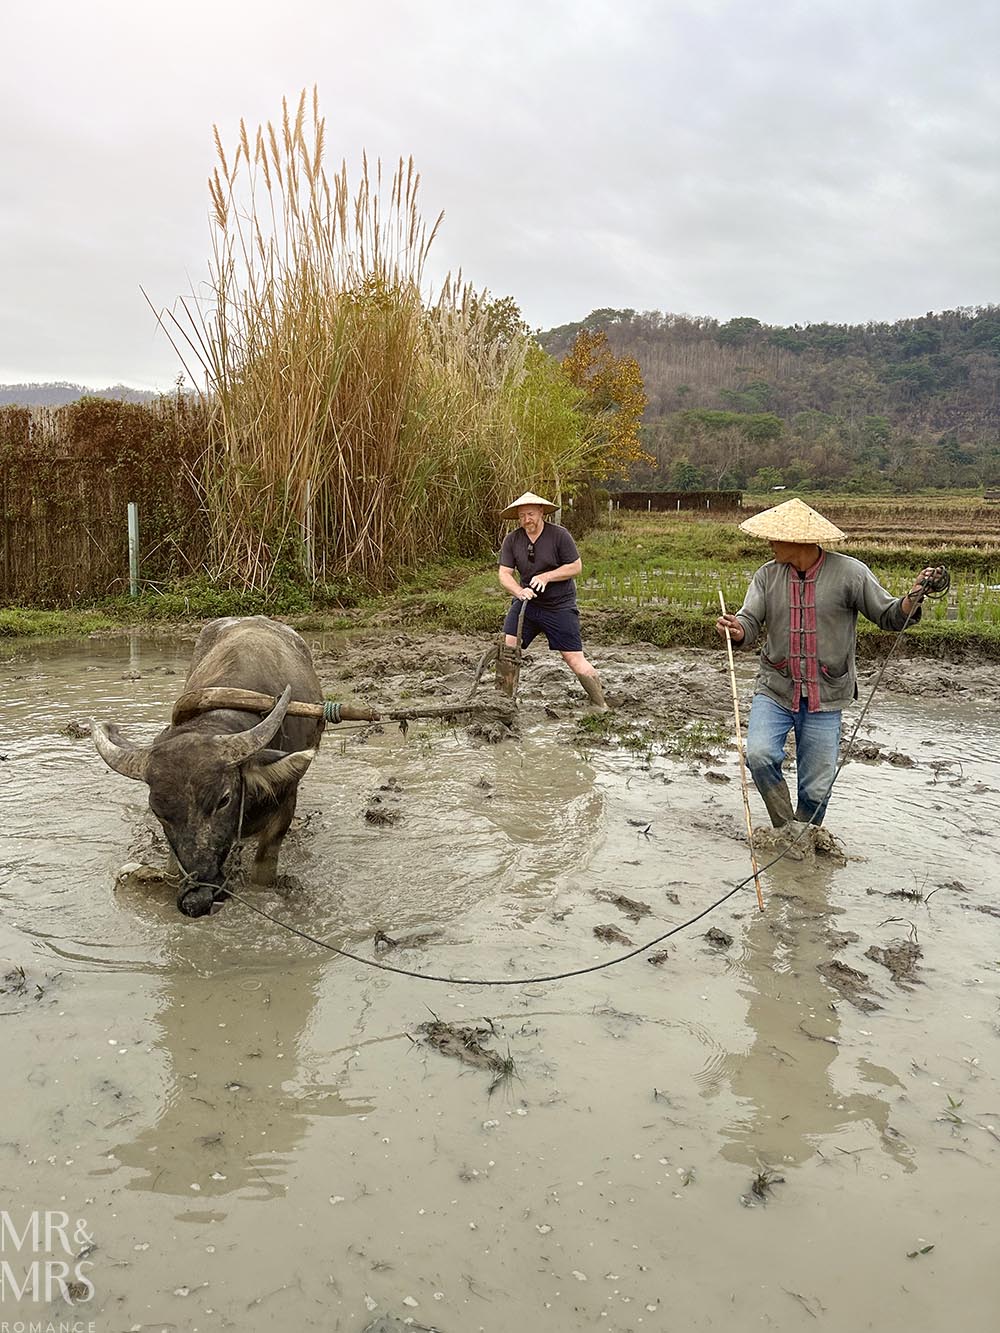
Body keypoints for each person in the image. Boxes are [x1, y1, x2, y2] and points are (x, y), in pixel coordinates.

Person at [715, 497, 935, 835]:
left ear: (798, 540)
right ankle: (786, 830)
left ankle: (804, 836)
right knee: (758, 755)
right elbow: (749, 619)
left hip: (826, 694)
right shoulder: (766, 576)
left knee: (816, 789)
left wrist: (911, 600)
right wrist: (737, 630)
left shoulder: (851, 573)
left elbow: (888, 614)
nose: (770, 543)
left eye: (776, 537)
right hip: (776, 687)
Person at [497, 490, 609, 711]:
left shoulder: (559, 535)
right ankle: (503, 703)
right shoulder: (512, 540)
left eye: (530, 514)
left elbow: (576, 567)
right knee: (508, 648)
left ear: (541, 512)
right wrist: (519, 592)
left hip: (559, 605)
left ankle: (600, 704)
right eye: (521, 516)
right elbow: (504, 574)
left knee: (573, 658)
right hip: (527, 605)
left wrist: (547, 576)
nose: (526, 519)